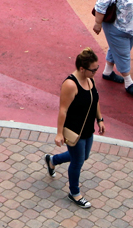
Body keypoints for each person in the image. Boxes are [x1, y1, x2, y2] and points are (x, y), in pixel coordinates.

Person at [44, 48, 104, 209]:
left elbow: (95, 100)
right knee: (77, 161)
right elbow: (62, 109)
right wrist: (59, 133)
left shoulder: (90, 80)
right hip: (74, 130)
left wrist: (100, 119)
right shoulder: (70, 84)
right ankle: (74, 193)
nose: (95, 72)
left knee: (83, 156)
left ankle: (52, 160)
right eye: (93, 70)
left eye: (97, 69)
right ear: (82, 68)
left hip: (88, 129)